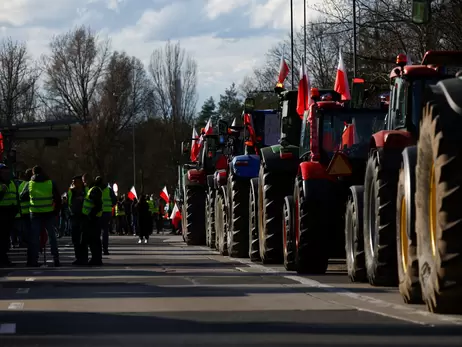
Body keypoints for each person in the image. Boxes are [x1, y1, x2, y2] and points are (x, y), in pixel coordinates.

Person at [20, 165, 61, 267]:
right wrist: (56, 211)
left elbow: (22, 196)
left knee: (34, 237)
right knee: (52, 236)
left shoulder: (30, 184)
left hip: (35, 213)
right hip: (48, 213)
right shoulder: (50, 183)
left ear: (33, 173)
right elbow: (57, 198)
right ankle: (55, 258)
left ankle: (33, 260)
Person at [81, 174, 103, 266]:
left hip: (93, 219)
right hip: (92, 218)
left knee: (93, 239)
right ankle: (95, 258)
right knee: (93, 239)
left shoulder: (94, 189)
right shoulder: (91, 189)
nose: (84, 182)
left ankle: (96, 259)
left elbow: (97, 204)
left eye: (84, 180)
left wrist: (91, 215)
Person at [0, 164, 19, 267]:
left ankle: (4, 258)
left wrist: (16, 210)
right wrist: (1, 192)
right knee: (2, 238)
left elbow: (15, 197)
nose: (6, 174)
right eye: (4, 172)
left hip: (10, 213)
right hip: (1, 212)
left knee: (5, 238)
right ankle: (2, 259)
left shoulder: (11, 183)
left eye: (8, 172)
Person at [68, 175, 86, 265]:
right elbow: (68, 204)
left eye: (76, 181)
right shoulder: (71, 191)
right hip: (74, 217)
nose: (74, 183)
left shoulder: (85, 190)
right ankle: (78, 258)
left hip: (84, 217)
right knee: (75, 239)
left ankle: (84, 258)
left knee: (83, 239)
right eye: (73, 181)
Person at [100, 181, 117, 255]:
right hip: (107, 212)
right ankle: (105, 249)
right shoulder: (108, 190)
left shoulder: (95, 189)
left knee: (97, 232)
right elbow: (114, 200)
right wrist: (110, 205)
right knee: (105, 232)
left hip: (98, 212)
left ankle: (97, 249)